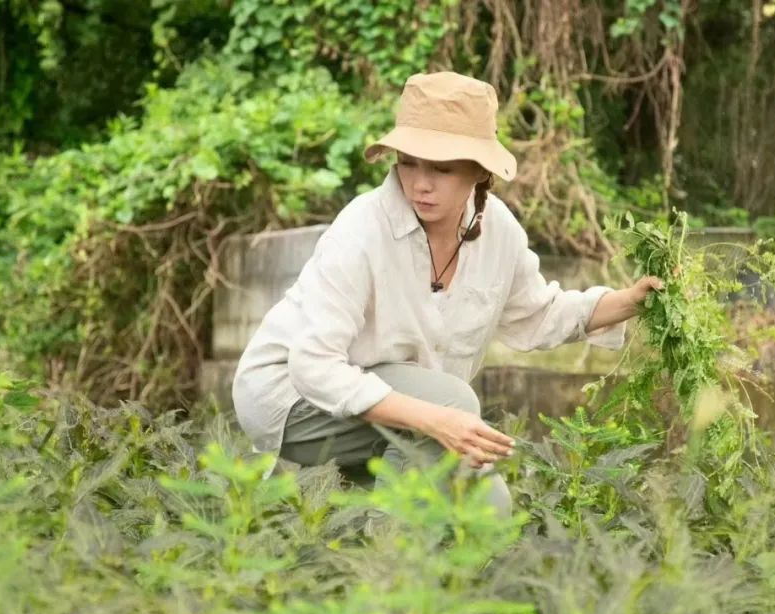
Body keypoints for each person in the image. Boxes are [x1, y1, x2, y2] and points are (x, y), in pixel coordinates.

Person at [232, 71, 663, 518]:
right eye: (408, 163)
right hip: (292, 401)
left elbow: (538, 315)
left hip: (394, 403)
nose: (420, 183)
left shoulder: (498, 232)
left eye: (441, 168)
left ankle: (351, 526)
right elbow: (313, 365)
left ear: (480, 171)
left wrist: (628, 301)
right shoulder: (361, 231)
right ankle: (391, 549)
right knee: (453, 403)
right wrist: (436, 420)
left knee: (490, 512)